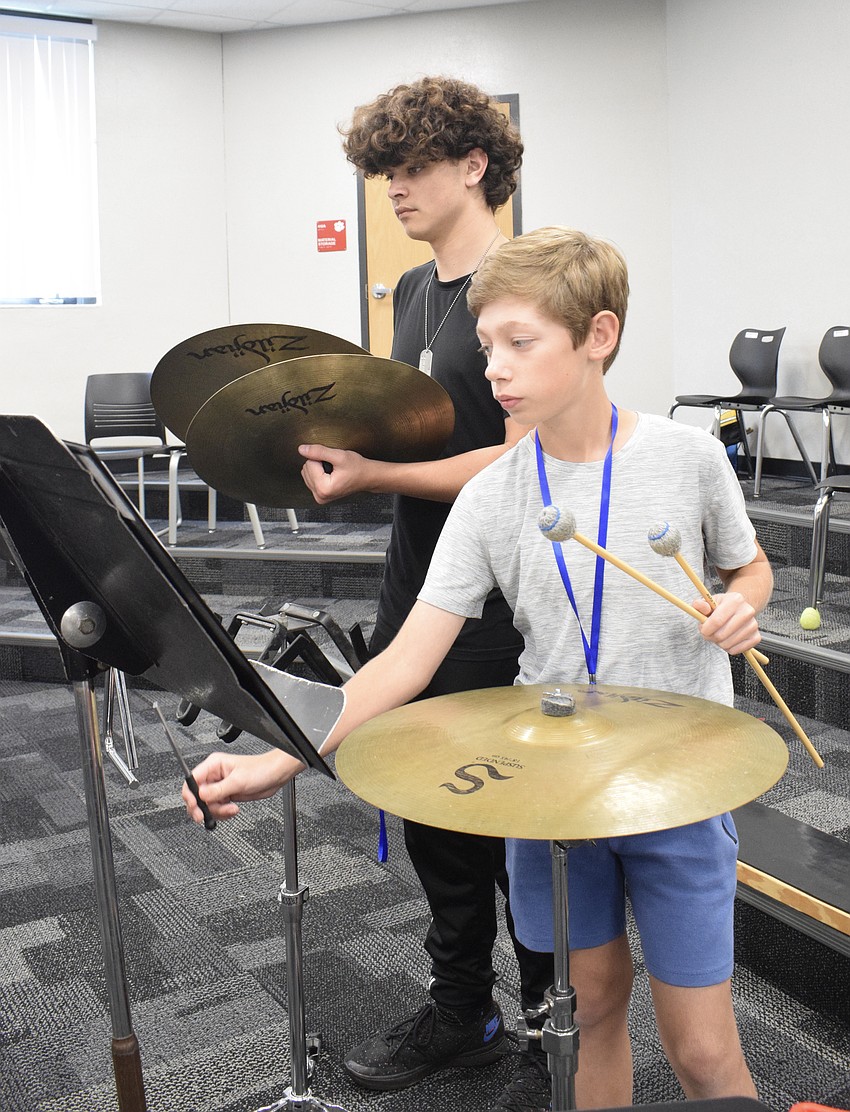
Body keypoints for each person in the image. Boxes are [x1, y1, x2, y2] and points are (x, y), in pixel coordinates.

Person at [186, 225, 773, 1107]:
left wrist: (744, 603)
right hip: (552, 795)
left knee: (701, 1053)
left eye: (518, 344)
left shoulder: (685, 460)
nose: (492, 366)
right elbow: (401, 665)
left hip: (676, 789)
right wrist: (279, 759)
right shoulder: (492, 496)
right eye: (486, 344)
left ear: (599, 337)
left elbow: (749, 566)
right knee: (587, 1019)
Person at [195, 77, 554, 1110]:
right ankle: (464, 1008)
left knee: (501, 818)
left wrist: (377, 476)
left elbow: (518, 458)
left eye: (410, 167)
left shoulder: (520, 283)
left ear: (473, 165)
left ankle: (544, 1013)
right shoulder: (410, 293)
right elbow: (419, 433)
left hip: (496, 596)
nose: (392, 187)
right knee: (429, 813)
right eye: (383, 171)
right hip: (417, 575)